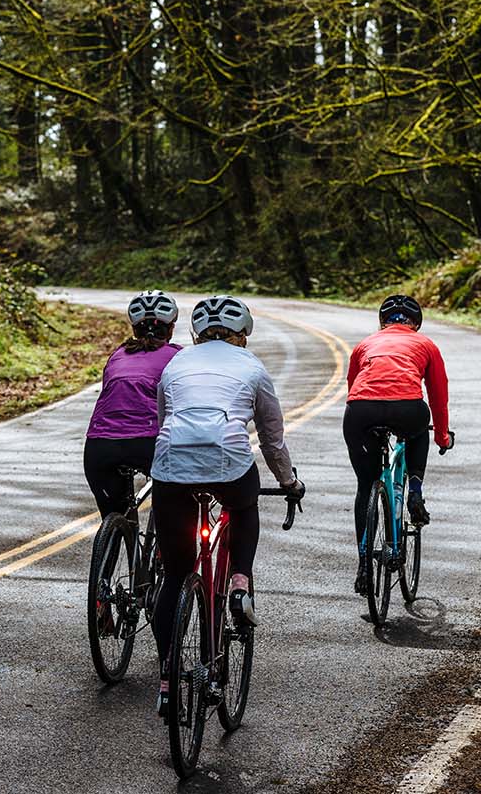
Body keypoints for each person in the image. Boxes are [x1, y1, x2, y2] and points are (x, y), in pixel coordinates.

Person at [149, 295, 303, 714]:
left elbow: (164, 420)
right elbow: (272, 440)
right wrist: (288, 482)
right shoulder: (253, 368)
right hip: (229, 462)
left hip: (171, 467)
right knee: (243, 505)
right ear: (244, 336)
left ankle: (166, 680)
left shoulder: (175, 364)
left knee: (175, 576)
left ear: (196, 335)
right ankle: (239, 581)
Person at [344, 294, 452, 595]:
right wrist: (442, 436)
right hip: (408, 408)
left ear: (382, 322)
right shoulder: (426, 344)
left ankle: (364, 565)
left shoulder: (365, 344)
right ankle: (415, 490)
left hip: (361, 412)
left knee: (366, 486)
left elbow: (352, 386)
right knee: (418, 429)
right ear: (416, 323)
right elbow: (438, 397)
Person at [83, 290, 182, 519]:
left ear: (134, 329)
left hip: (100, 446)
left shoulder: (117, 355)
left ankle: (115, 537)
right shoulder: (178, 356)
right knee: (173, 513)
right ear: (170, 328)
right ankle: (163, 550)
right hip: (150, 442)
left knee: (116, 513)